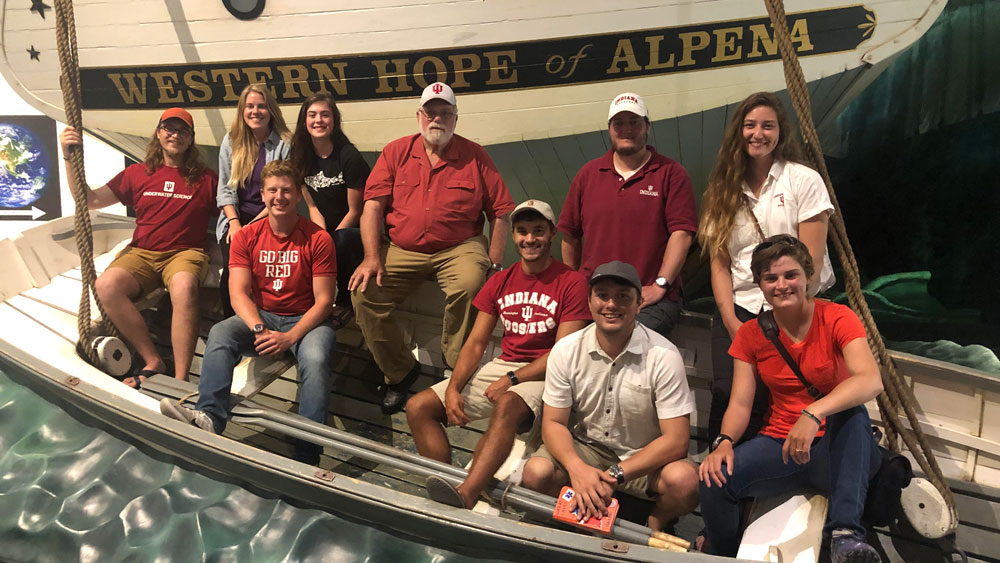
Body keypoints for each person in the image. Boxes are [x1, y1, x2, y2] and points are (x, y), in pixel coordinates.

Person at [698, 235, 883, 562]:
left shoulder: (837, 318)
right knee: (715, 480)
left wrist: (813, 414)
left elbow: (870, 380)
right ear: (760, 284)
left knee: (853, 413)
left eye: (790, 275)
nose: (781, 285)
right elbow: (740, 403)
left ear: (808, 276)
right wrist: (724, 441)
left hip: (838, 451)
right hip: (781, 446)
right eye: (771, 278)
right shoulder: (751, 334)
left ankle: (846, 535)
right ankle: (720, 554)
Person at [406, 199, 591, 509]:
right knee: (418, 406)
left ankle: (465, 495)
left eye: (538, 231)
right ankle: (449, 480)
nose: (529, 239)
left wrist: (513, 378)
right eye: (522, 232)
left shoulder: (571, 283)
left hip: (547, 373)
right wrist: (453, 387)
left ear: (552, 234)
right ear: (514, 236)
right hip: (505, 365)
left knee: (506, 404)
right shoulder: (500, 281)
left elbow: (563, 353)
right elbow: (476, 343)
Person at [349, 82, 515, 414]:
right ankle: (399, 373)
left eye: (445, 113)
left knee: (470, 285)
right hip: (402, 247)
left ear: (455, 118)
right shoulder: (396, 152)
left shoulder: (475, 155)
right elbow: (372, 208)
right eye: (430, 112)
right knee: (364, 292)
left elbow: (502, 212)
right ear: (419, 116)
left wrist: (495, 264)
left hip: (459, 246)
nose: (436, 119)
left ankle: (456, 371)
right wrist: (370, 258)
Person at [160, 160, 337, 465]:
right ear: (263, 194)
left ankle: (308, 449)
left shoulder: (318, 239)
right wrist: (259, 329)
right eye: (272, 190)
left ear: (297, 196)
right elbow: (238, 292)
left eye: (286, 191)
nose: (278, 197)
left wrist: (290, 337)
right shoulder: (246, 236)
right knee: (220, 333)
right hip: (265, 315)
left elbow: (324, 301)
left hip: (306, 321)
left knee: (316, 358)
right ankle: (210, 416)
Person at [699, 91, 836, 443]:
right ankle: (720, 473)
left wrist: (791, 313)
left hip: (788, 308)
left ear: (780, 132)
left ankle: (767, 479)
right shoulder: (723, 188)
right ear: (738, 132)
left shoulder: (803, 180)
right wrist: (730, 319)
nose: (758, 133)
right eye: (750, 125)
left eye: (767, 126)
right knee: (728, 393)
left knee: (776, 396)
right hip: (740, 307)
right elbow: (719, 262)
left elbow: (813, 261)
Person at [521, 261, 699, 532]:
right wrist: (577, 468)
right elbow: (554, 423)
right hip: (587, 448)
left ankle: (657, 520)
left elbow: (676, 441)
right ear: (590, 301)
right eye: (602, 295)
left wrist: (614, 474)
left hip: (643, 456)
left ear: (639, 303)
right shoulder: (566, 350)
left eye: (623, 297)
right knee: (535, 473)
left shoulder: (664, 356)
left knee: (685, 482)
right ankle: (568, 518)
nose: (611, 304)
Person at [59, 109, 218, 388]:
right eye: (169, 128)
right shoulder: (137, 173)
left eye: (183, 131)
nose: (175, 135)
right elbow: (90, 199)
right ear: (158, 133)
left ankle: (180, 378)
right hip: (143, 253)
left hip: (185, 252)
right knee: (107, 286)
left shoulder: (206, 179)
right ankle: (152, 359)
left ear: (191, 140)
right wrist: (68, 156)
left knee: (183, 287)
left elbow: (235, 210)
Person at [558, 92, 698, 337]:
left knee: (620, 340)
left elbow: (682, 234)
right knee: (564, 347)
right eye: (619, 123)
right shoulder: (588, 174)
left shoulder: (671, 174)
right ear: (609, 129)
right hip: (594, 297)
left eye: (635, 122)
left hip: (648, 298)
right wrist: (573, 287)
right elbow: (569, 236)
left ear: (647, 127)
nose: (627, 129)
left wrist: (661, 284)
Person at [290, 93, 370, 328]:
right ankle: (308, 303)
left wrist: (328, 241)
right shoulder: (301, 156)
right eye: (312, 115)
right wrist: (319, 238)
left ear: (334, 120)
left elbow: (356, 211)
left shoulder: (349, 157)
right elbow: (313, 207)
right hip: (328, 229)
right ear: (304, 121)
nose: (318, 120)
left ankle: (346, 301)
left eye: (325, 115)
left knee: (339, 241)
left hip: (354, 231)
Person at [216, 84, 291, 317]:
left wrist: (252, 227)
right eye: (249, 106)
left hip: (271, 217)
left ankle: (270, 325)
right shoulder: (232, 141)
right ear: (242, 111)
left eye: (261, 106)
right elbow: (225, 188)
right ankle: (234, 326)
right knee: (233, 271)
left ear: (271, 111)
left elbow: (282, 195)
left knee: (265, 271)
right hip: (236, 218)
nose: (255, 112)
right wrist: (235, 223)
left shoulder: (285, 144)